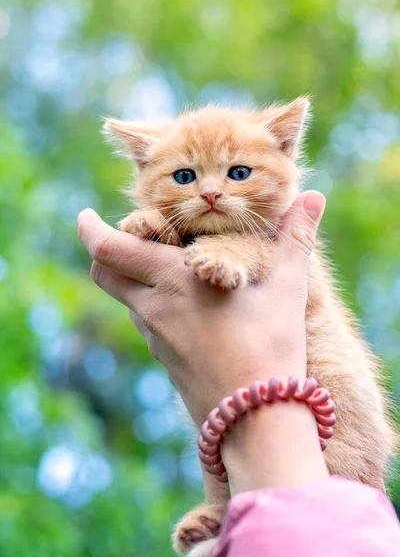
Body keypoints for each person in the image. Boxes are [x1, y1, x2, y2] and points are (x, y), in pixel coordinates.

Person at [78, 191, 400, 556]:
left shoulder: (271, 236)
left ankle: (235, 514)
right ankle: (232, 517)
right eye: (185, 178)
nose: (212, 191)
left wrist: (256, 420)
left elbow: (263, 261)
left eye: (240, 173)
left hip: (338, 443)